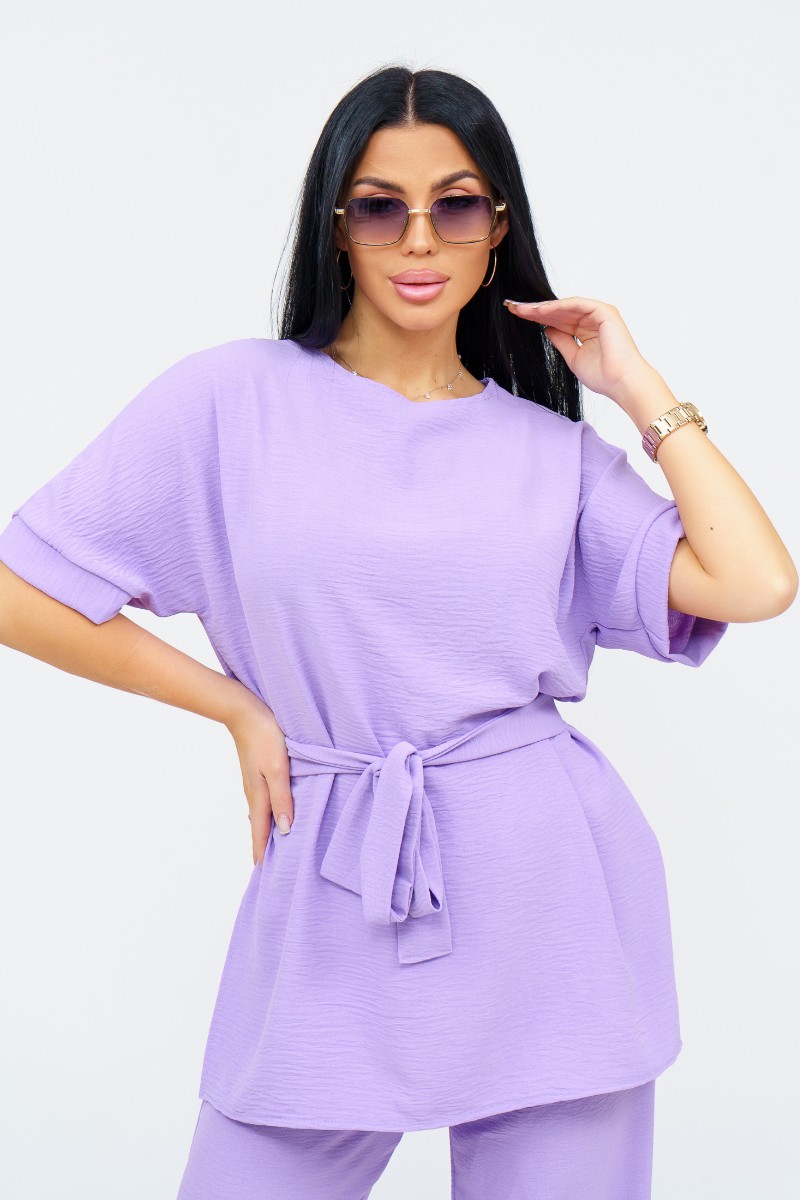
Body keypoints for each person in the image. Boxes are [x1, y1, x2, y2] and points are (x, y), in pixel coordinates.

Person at [0, 63, 796, 1200]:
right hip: (331, 874)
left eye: (455, 205)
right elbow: (20, 587)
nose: (419, 240)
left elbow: (756, 582)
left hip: (548, 899)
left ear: (496, 227)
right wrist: (232, 706)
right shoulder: (231, 402)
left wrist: (637, 388)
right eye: (380, 207)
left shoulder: (550, 455)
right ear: (336, 226)